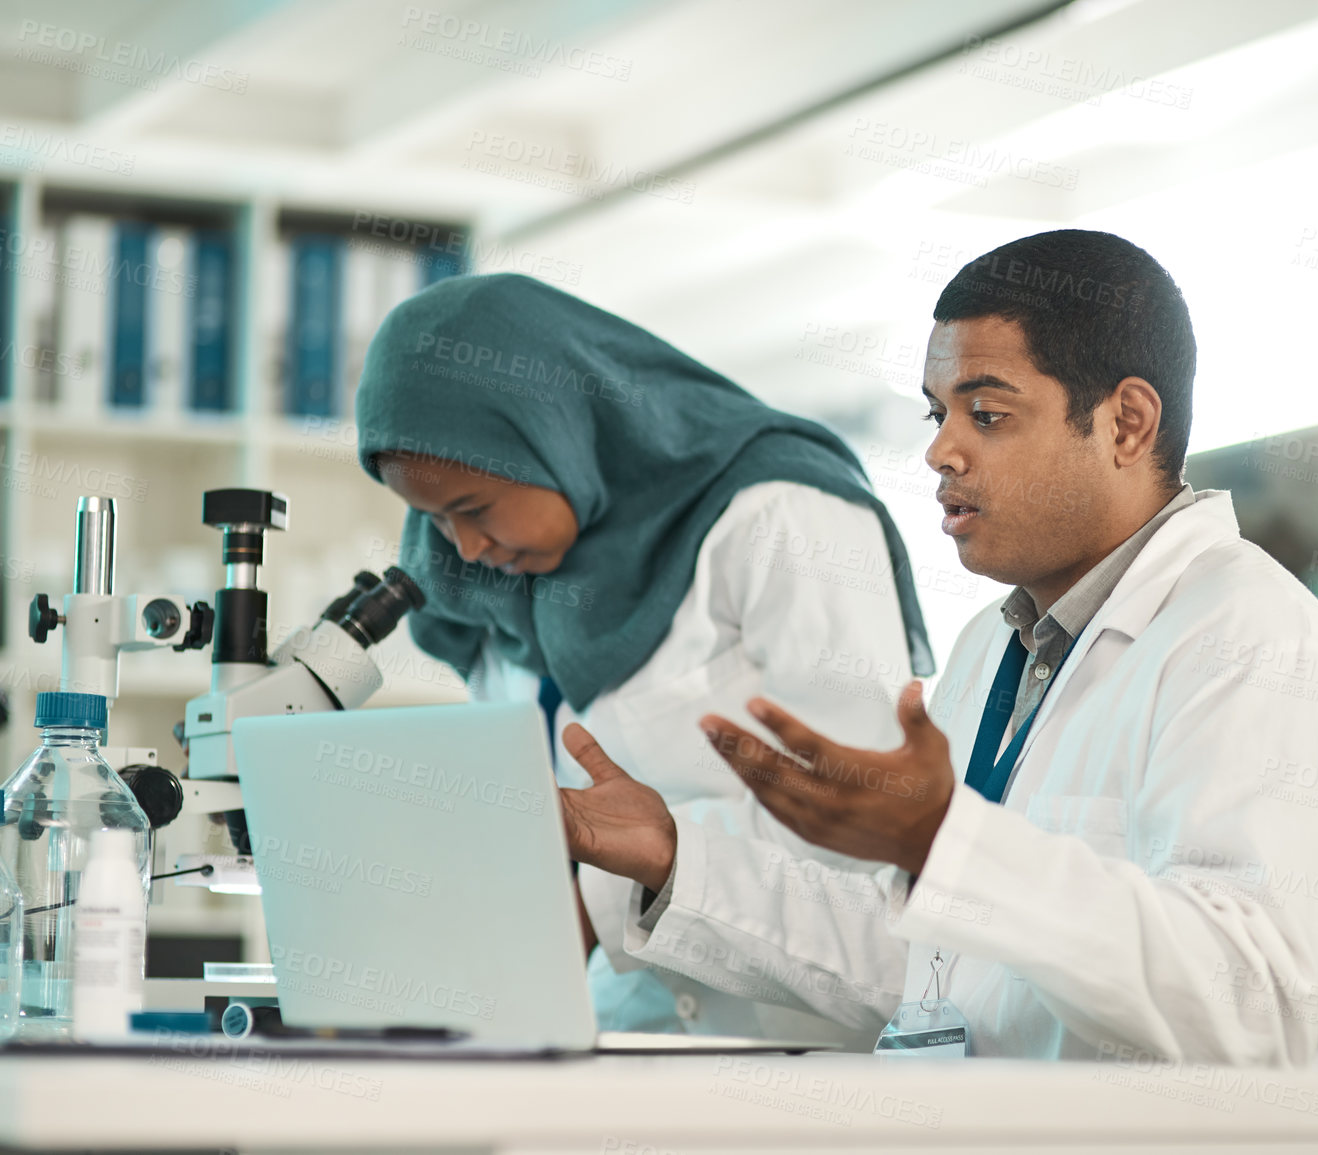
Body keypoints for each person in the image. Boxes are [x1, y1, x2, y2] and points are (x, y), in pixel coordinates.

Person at [555, 230, 1318, 1066]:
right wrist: (675, 857)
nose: (938, 450)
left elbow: (1249, 1004)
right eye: (936, 411)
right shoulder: (994, 648)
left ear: (1126, 424)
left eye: (985, 414)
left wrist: (948, 847)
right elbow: (924, 967)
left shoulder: (1255, 644)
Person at [352, 272, 934, 1048]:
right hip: (607, 1028)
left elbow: (855, 820)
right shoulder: (485, 580)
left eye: (472, 508)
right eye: (429, 517)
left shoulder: (782, 514)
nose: (462, 548)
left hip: (785, 1040)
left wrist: (598, 884)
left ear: (553, 432)